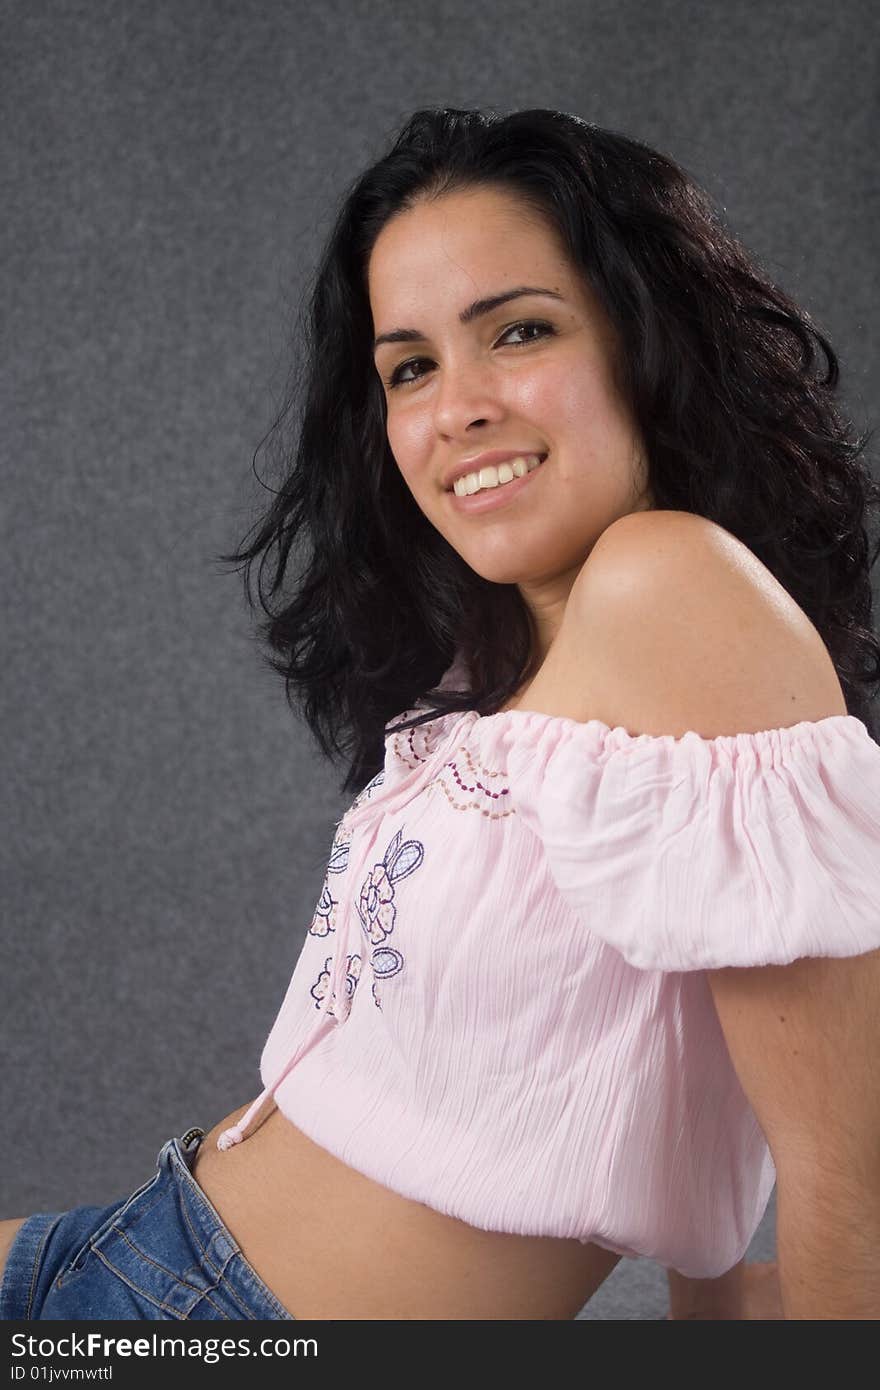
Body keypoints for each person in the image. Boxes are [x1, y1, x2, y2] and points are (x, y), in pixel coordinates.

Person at [3, 105, 880, 1322]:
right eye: (409, 365)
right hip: (126, 1247)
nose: (454, 407)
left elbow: (855, 1173)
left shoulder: (667, 582)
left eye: (516, 331)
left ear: (644, 341)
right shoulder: (508, 651)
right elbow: (682, 1088)